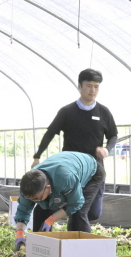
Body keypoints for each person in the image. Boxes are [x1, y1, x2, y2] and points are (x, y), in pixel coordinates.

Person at [30, 69, 117, 230]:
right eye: (89, 86)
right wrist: (37, 156)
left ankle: (70, 223)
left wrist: (107, 149)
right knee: (78, 211)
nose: (93, 90)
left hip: (94, 171)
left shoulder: (103, 112)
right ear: (79, 86)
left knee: (93, 213)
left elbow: (113, 135)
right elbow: (50, 133)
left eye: (96, 87)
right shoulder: (67, 112)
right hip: (70, 171)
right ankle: (64, 240)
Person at [13, 151, 105, 251]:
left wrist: (50, 220)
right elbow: (23, 211)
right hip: (66, 167)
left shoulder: (66, 178)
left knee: (79, 214)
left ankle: (81, 250)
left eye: (36, 199)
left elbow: (75, 204)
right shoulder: (27, 186)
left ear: (48, 188)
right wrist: (20, 234)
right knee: (41, 210)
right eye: (30, 199)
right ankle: (42, 249)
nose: (34, 201)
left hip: (91, 171)